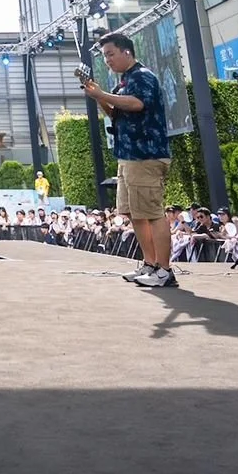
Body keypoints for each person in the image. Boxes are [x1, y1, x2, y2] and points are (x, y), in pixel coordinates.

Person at [82, 31, 173, 287]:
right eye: (105, 56)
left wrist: (104, 95)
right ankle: (150, 264)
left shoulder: (143, 77)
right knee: (135, 213)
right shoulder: (122, 82)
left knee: (153, 213)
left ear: (126, 51)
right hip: (128, 155)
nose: (108, 60)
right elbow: (116, 113)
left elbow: (136, 104)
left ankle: (165, 270)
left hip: (146, 154)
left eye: (110, 54)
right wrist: (99, 96)